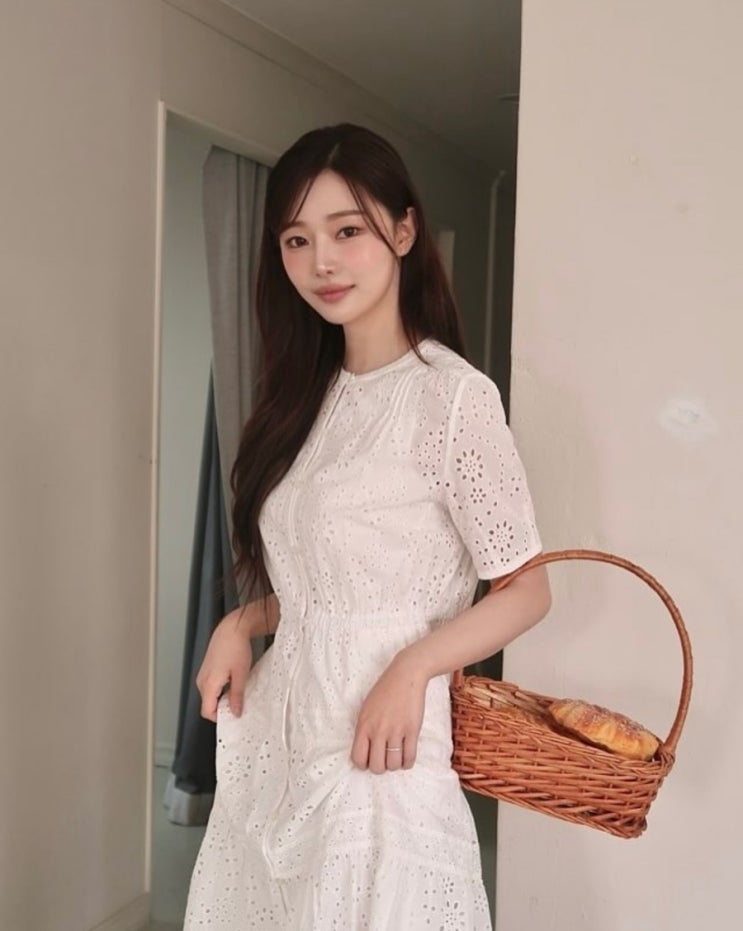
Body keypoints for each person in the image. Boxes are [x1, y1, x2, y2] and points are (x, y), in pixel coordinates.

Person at [183, 123, 551, 930]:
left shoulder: (452, 397)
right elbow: (329, 579)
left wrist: (413, 667)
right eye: (296, 239)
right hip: (280, 741)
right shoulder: (302, 400)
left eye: (346, 230)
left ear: (404, 231)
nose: (321, 261)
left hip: (380, 748)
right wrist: (241, 623)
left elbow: (527, 588)